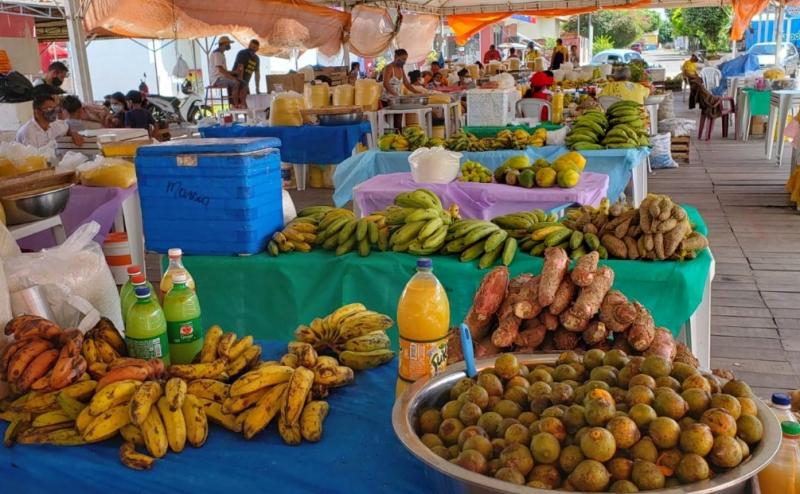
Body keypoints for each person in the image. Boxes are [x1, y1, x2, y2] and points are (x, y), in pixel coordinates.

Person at [16, 93, 83, 147]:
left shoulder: (54, 124)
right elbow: (32, 159)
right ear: (37, 112)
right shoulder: (28, 132)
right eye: (49, 108)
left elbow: (66, 128)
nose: (54, 111)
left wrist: (73, 133)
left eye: (54, 108)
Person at [208, 36, 241, 107]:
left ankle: (235, 103)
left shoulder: (221, 54)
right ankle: (235, 105)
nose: (229, 45)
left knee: (237, 81)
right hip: (217, 79)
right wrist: (233, 77)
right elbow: (221, 70)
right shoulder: (217, 53)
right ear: (224, 44)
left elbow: (223, 71)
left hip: (220, 77)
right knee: (235, 82)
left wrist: (235, 72)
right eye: (228, 44)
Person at [232, 39, 260, 107]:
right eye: (251, 46)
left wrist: (257, 88)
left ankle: (243, 106)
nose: (252, 48)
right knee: (238, 86)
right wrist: (241, 81)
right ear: (249, 45)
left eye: (254, 47)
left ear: (257, 49)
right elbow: (240, 67)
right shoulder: (243, 53)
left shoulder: (256, 59)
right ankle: (236, 106)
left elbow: (257, 74)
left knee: (246, 101)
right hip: (236, 78)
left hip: (245, 81)